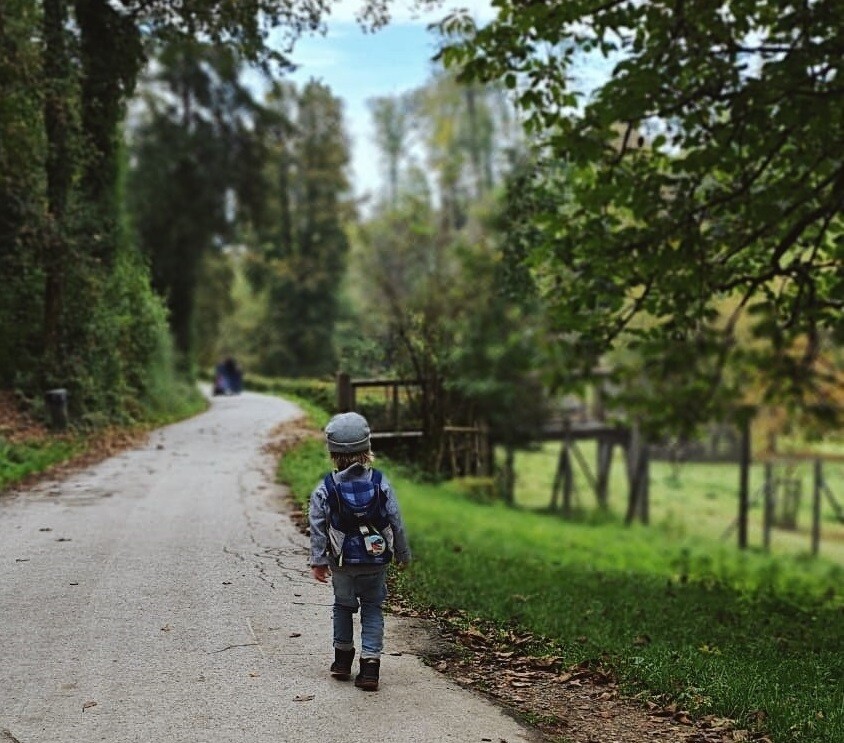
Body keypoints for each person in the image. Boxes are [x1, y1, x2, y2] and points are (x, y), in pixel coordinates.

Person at [308, 412, 411, 691]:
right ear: (367, 450)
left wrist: (318, 560)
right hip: (376, 561)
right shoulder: (381, 482)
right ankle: (370, 667)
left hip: (342, 562)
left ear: (332, 453)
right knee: (373, 608)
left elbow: (317, 527)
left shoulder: (325, 488)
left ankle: (342, 662)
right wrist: (402, 554)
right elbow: (396, 522)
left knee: (342, 607)